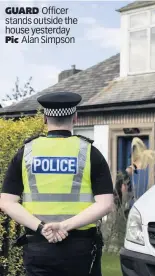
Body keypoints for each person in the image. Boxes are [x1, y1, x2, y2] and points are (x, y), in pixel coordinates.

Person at [0, 91, 114, 276]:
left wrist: (41, 227)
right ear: (75, 117)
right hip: (80, 248)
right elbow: (106, 204)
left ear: (45, 118)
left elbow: (6, 202)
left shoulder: (26, 153)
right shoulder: (90, 153)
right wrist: (65, 226)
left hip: (38, 246)